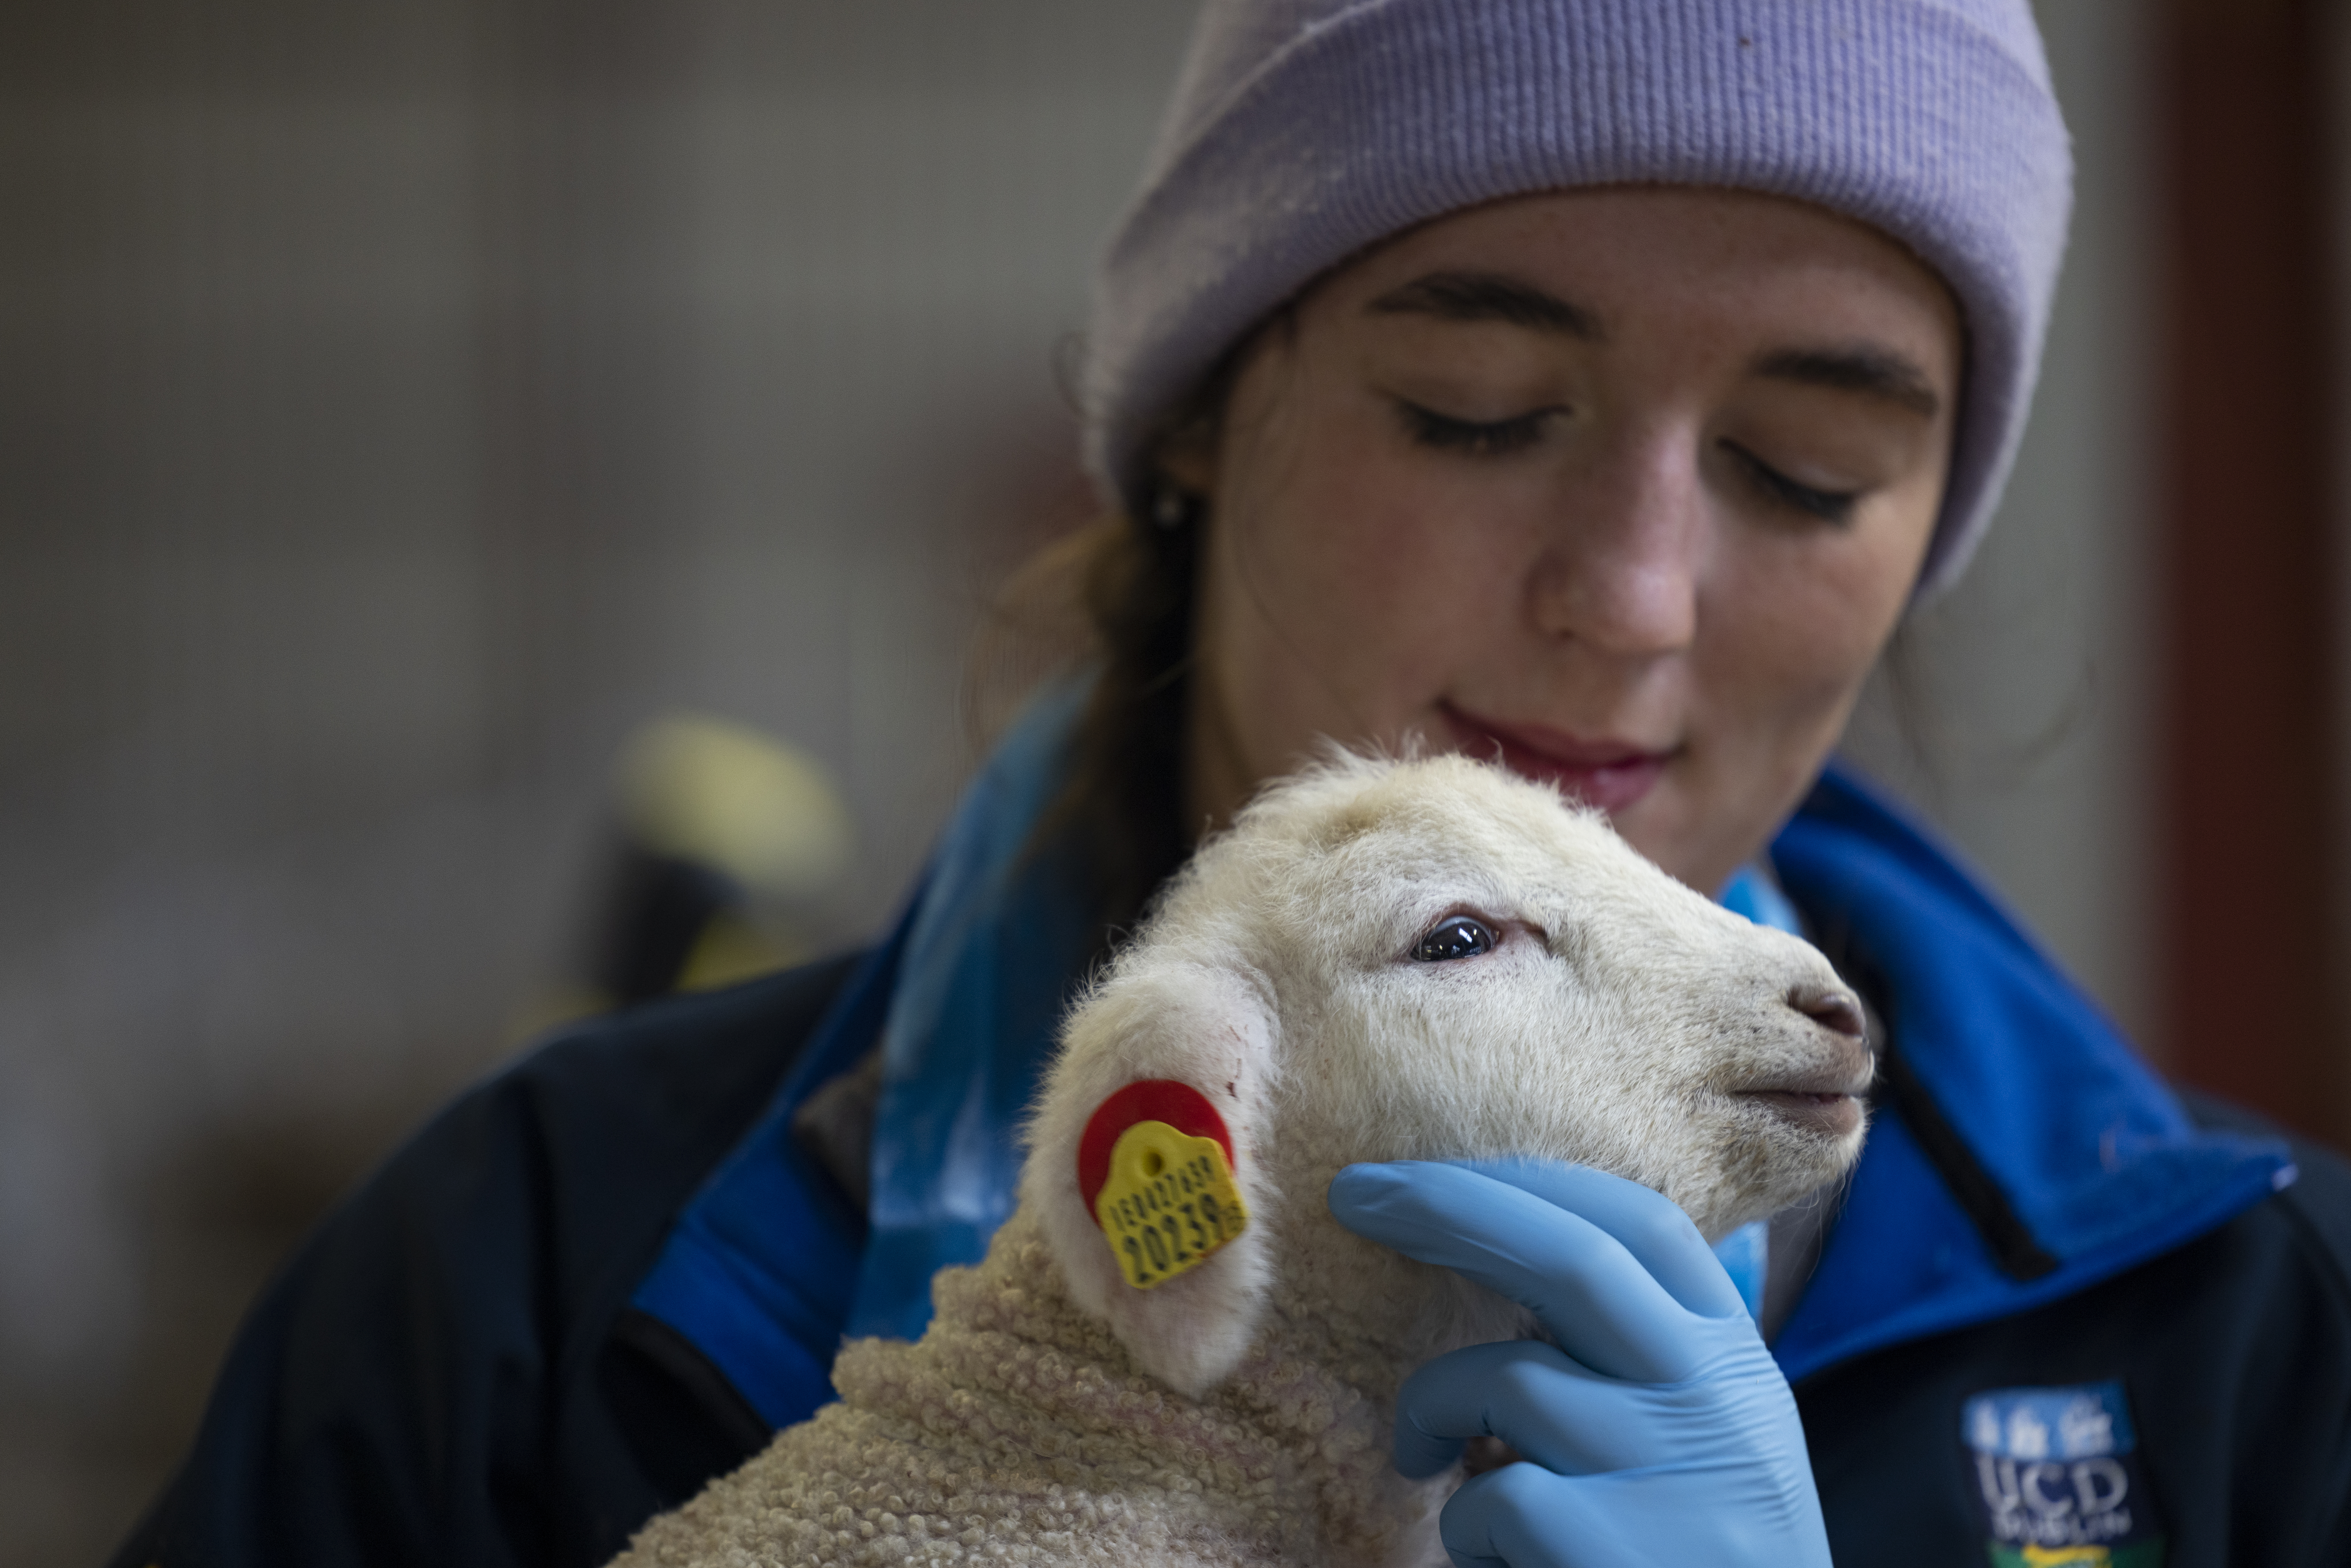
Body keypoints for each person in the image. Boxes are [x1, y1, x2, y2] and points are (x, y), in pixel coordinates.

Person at [115, 2, 2351, 1565]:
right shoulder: (538, 1286)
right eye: (1476, 405)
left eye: (1808, 462)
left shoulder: (2246, 1332)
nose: (1634, 593)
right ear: (1193, 412)